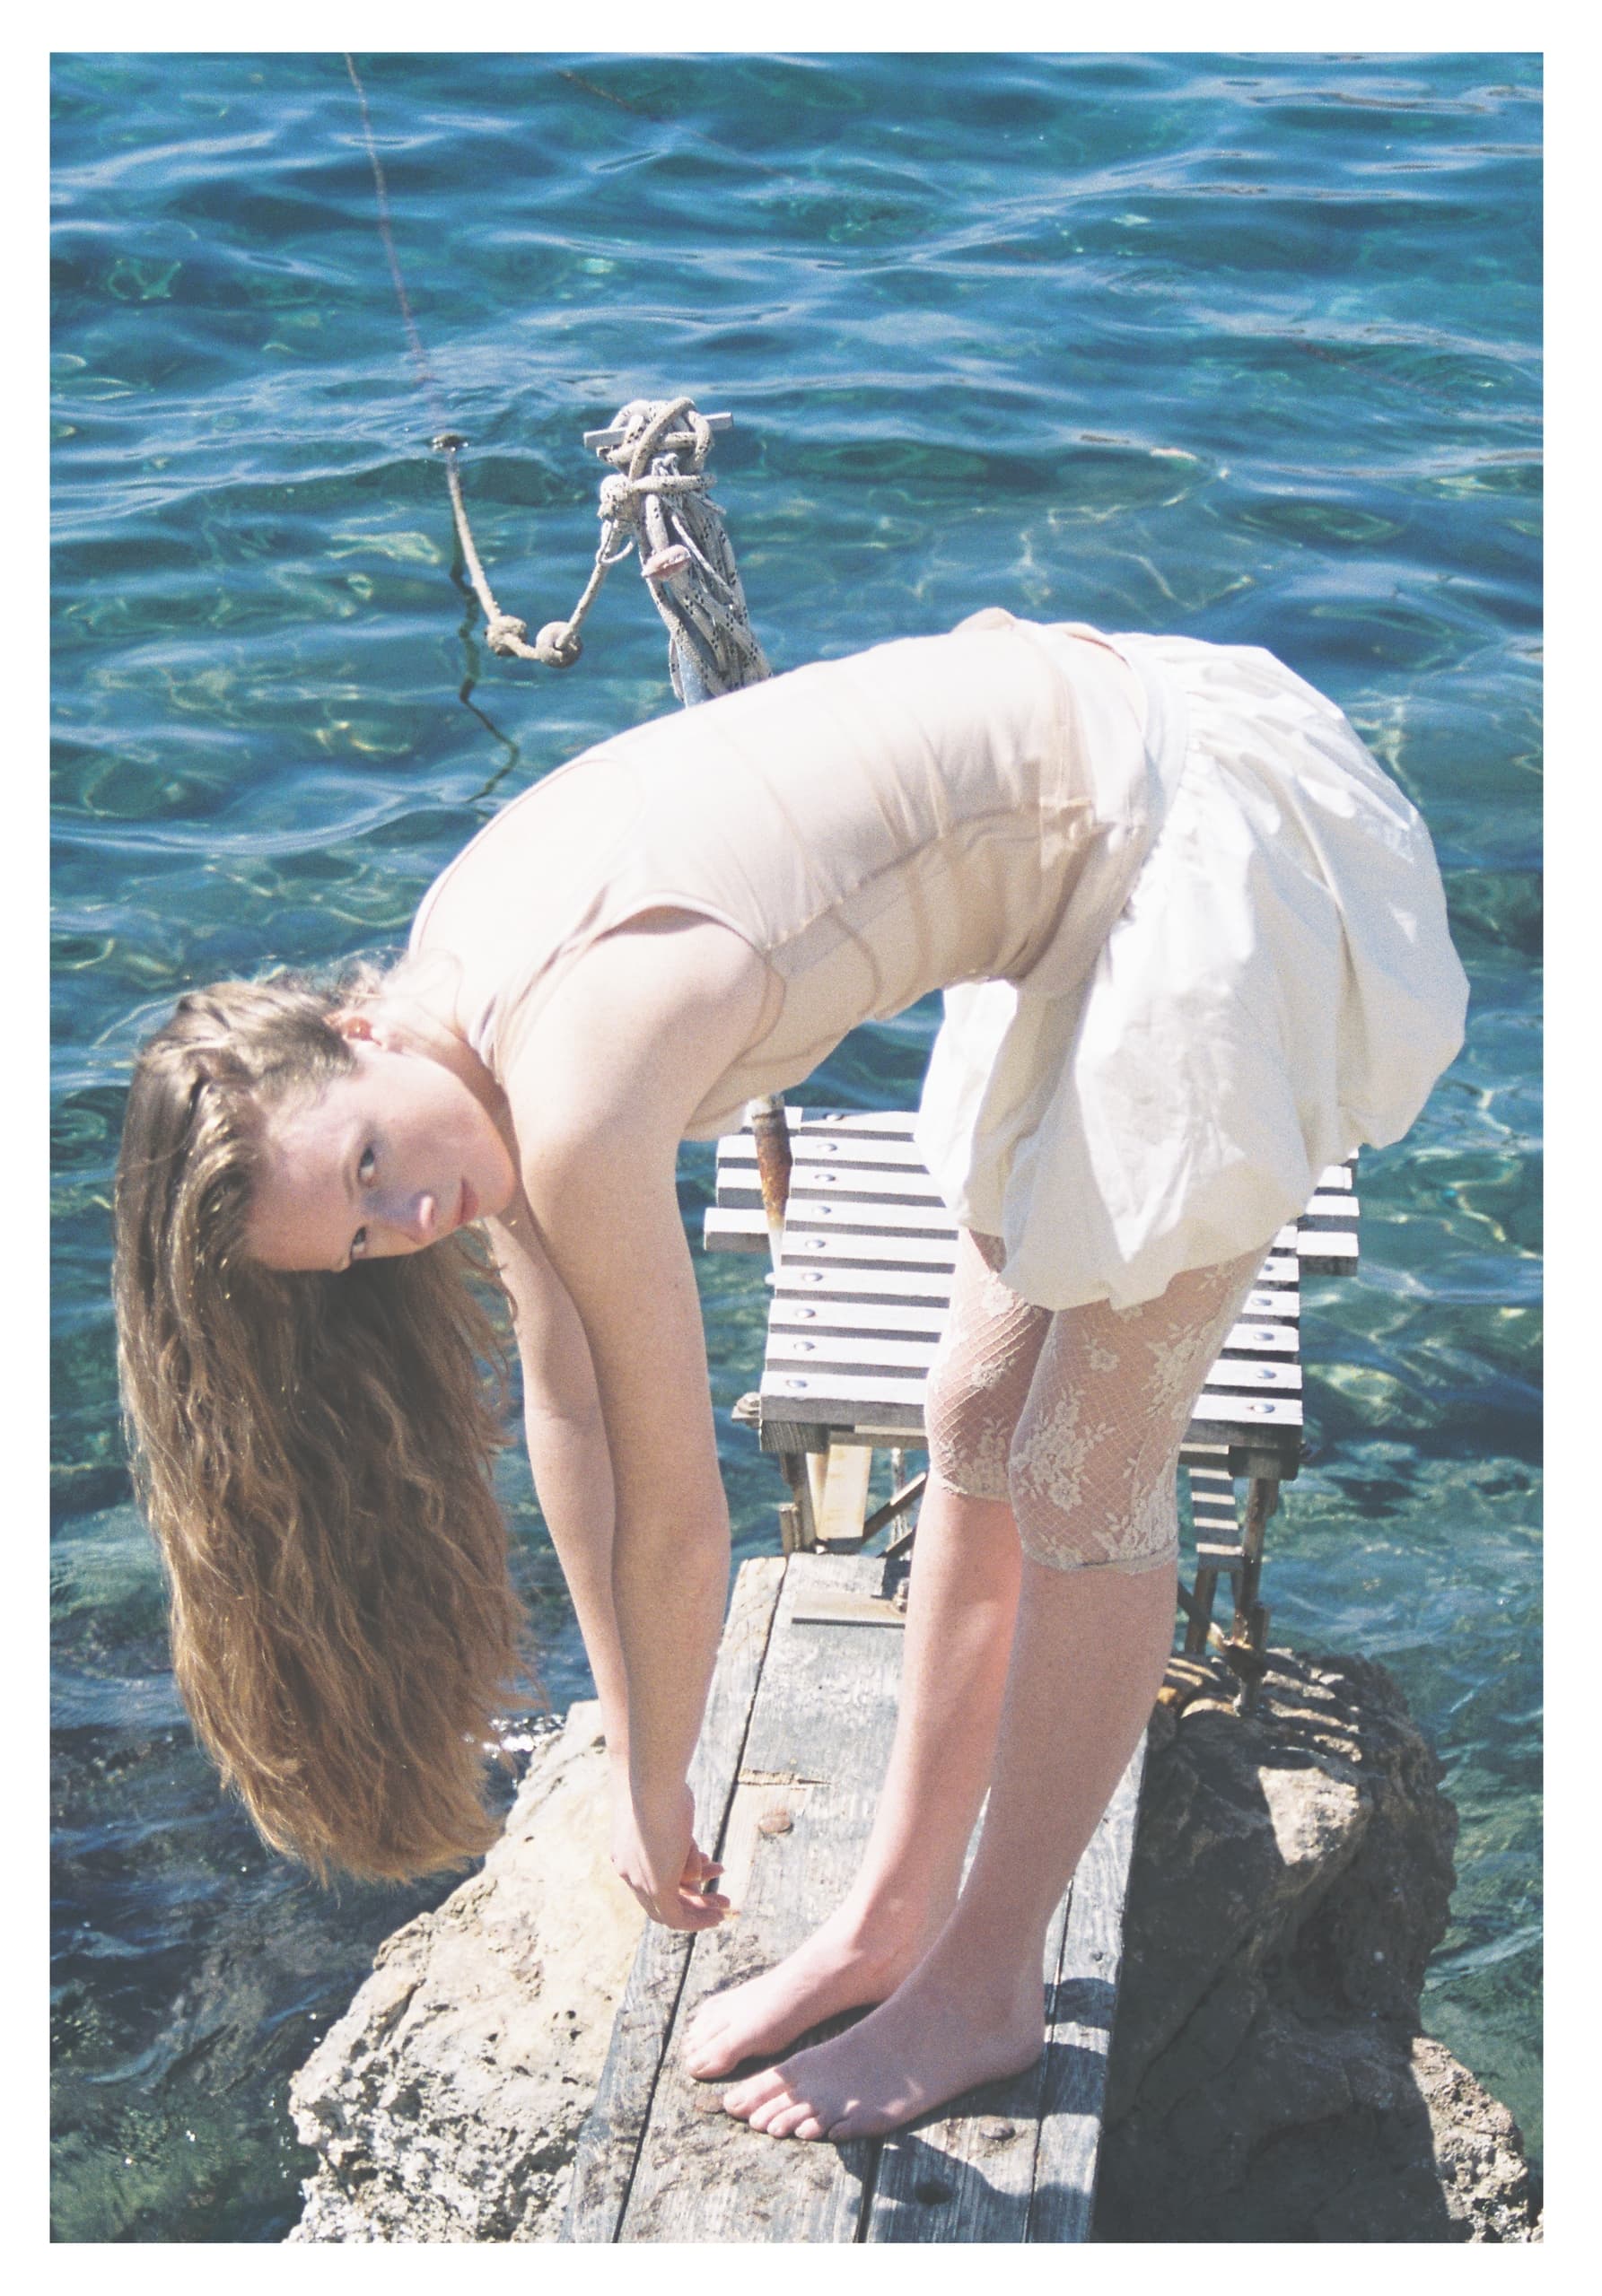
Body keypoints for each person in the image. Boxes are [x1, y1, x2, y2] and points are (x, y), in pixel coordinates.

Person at [113, 607, 1467, 2142]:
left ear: (355, 1032)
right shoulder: (453, 1030)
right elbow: (572, 1413)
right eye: (362, 1239)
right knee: (969, 1412)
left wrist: (652, 1790)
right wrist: (637, 1750)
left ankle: (987, 1979)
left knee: (1083, 1469)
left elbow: (680, 1511)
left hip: (1194, 847)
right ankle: (896, 1914)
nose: (410, 1219)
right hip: (1074, 855)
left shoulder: (569, 1088)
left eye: (370, 1166)